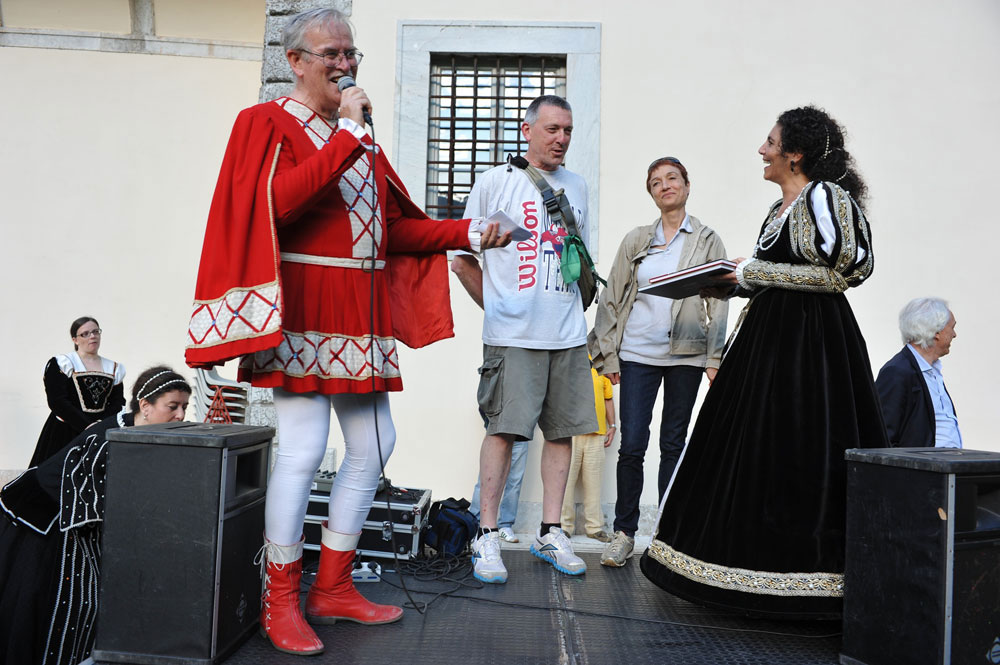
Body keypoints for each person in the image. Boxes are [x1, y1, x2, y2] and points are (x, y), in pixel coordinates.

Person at [184, 9, 509, 656]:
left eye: (350, 52)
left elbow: (392, 229)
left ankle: (332, 583)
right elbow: (278, 204)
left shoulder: (358, 141)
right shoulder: (267, 121)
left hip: (357, 311)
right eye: (330, 52)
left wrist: (469, 232)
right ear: (295, 60)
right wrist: (349, 136)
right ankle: (280, 595)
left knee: (376, 441)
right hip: (302, 302)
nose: (345, 63)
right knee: (303, 447)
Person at [641, 106, 888, 619]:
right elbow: (779, 272)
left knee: (805, 445)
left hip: (812, 346)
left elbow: (843, 273)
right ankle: (741, 576)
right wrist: (732, 282)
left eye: (770, 141)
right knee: (754, 447)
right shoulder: (777, 211)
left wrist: (752, 270)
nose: (762, 149)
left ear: (794, 153)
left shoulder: (824, 196)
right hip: (767, 338)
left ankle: (808, 584)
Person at [451, 94, 597, 584]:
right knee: (504, 430)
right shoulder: (496, 182)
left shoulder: (577, 185)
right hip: (514, 334)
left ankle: (550, 531)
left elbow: (579, 254)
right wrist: (495, 307)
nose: (561, 139)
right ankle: (487, 533)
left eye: (568, 131)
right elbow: (461, 256)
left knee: (562, 431)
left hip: (568, 332)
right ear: (526, 129)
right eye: (553, 129)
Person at [589, 157, 728, 567]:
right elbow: (612, 297)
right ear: (650, 193)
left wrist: (714, 357)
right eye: (656, 182)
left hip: (686, 354)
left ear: (687, 185)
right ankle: (624, 533)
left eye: (672, 178)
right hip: (635, 355)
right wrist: (608, 353)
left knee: (674, 444)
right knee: (632, 446)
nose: (665, 185)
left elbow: (719, 302)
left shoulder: (706, 239)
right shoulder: (637, 240)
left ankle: (667, 534)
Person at [0, 366, 190, 665]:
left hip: (73, 513)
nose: (180, 415)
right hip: (47, 515)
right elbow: (94, 510)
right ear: (145, 406)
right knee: (70, 599)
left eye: (184, 407)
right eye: (173, 406)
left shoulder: (141, 431)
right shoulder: (107, 438)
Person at [29, 316, 126, 466]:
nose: (92, 336)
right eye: (85, 333)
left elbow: (118, 402)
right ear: (75, 339)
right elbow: (57, 401)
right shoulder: (63, 363)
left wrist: (100, 425)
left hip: (99, 430)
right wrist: (86, 426)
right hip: (66, 429)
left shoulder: (113, 367)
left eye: (95, 332)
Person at [876, 298, 960, 448]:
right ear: (937, 331)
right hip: (922, 469)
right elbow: (883, 437)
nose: (954, 334)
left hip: (946, 468)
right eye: (952, 327)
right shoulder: (897, 372)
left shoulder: (932, 371)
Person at [560, 363, 615, 542]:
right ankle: (563, 527)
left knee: (594, 483)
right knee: (565, 484)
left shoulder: (602, 366)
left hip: (597, 433)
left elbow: (608, 398)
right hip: (570, 433)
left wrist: (612, 425)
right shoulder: (567, 363)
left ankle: (594, 527)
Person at [470, 439, 528, 543]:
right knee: (486, 480)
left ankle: (505, 525)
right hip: (498, 431)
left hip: (521, 432)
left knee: (515, 481)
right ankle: (475, 524)